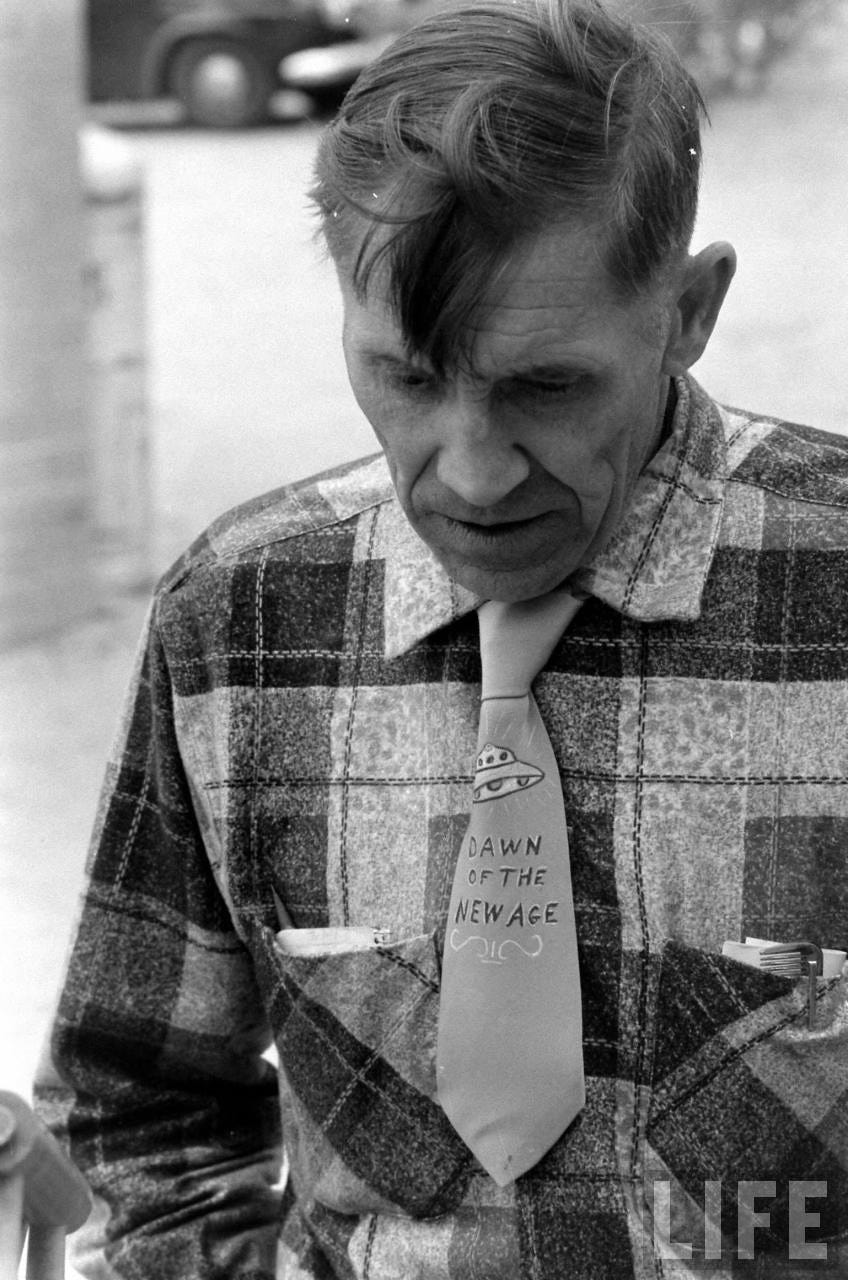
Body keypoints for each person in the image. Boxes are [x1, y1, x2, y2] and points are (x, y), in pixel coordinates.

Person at [34, 0, 848, 1275]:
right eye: (408, 377)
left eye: (544, 385)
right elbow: (143, 1117)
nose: (469, 474)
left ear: (687, 312)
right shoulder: (242, 623)